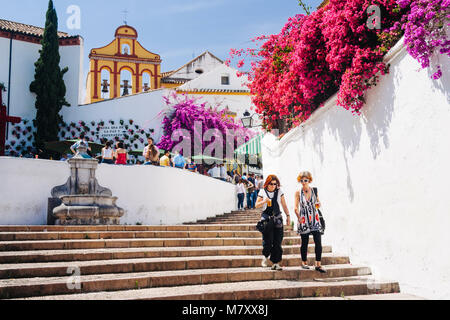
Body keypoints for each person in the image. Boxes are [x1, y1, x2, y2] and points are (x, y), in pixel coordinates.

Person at [255, 175, 291, 271]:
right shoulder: (262, 191)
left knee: (277, 242)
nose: (273, 186)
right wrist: (264, 201)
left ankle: (275, 263)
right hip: (267, 219)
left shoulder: (279, 192)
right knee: (268, 241)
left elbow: (284, 205)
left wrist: (288, 216)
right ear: (267, 183)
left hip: (277, 219)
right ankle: (265, 256)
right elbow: (256, 205)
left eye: (275, 184)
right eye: (271, 184)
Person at [294, 171, 326, 274]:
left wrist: (318, 204)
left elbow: (318, 203)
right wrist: (299, 217)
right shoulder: (298, 192)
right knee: (305, 242)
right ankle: (304, 262)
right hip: (304, 219)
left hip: (315, 218)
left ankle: (318, 264)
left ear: (309, 180)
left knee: (318, 241)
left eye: (305, 180)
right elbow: (295, 208)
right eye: (301, 180)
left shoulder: (314, 191)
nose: (303, 182)